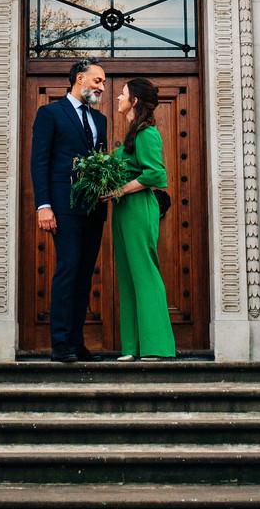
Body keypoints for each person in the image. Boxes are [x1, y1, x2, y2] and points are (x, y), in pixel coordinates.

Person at [29, 58, 109, 363]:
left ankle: (77, 343)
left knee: (84, 274)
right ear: (79, 79)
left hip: (92, 208)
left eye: (102, 82)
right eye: (98, 81)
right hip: (62, 206)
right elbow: (40, 162)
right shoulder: (50, 113)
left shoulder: (99, 121)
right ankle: (60, 343)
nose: (102, 87)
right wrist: (44, 205)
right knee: (68, 268)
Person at [105, 78, 176, 362]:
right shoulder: (134, 133)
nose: (118, 98)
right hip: (124, 210)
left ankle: (156, 346)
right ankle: (132, 347)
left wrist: (118, 189)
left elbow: (155, 175)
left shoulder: (147, 134)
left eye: (122, 94)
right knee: (127, 275)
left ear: (134, 100)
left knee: (145, 273)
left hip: (138, 209)